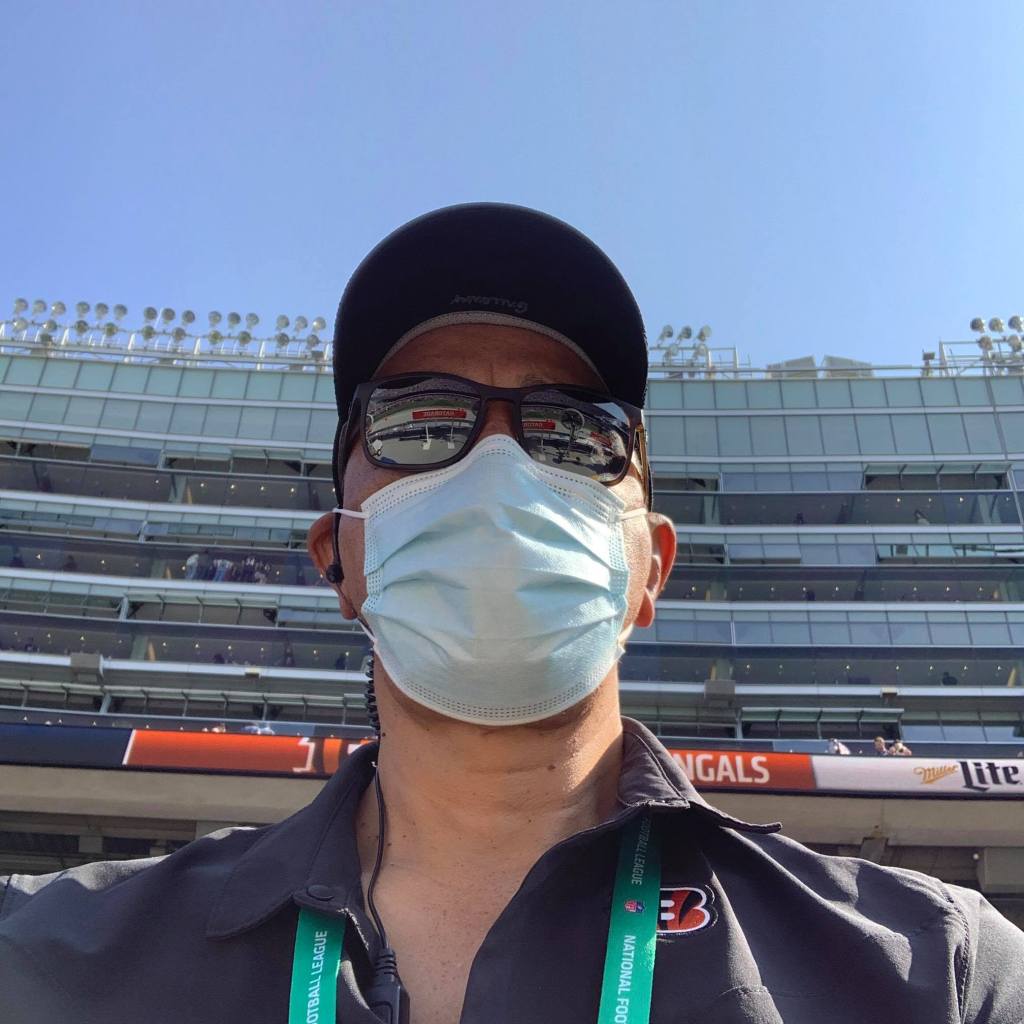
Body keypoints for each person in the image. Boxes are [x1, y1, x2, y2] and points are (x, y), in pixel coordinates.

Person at [2, 204, 1022, 1023]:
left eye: (573, 433)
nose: (499, 467)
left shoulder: (939, 975)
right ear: (338, 557)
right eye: (420, 422)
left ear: (650, 568)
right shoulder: (47, 958)